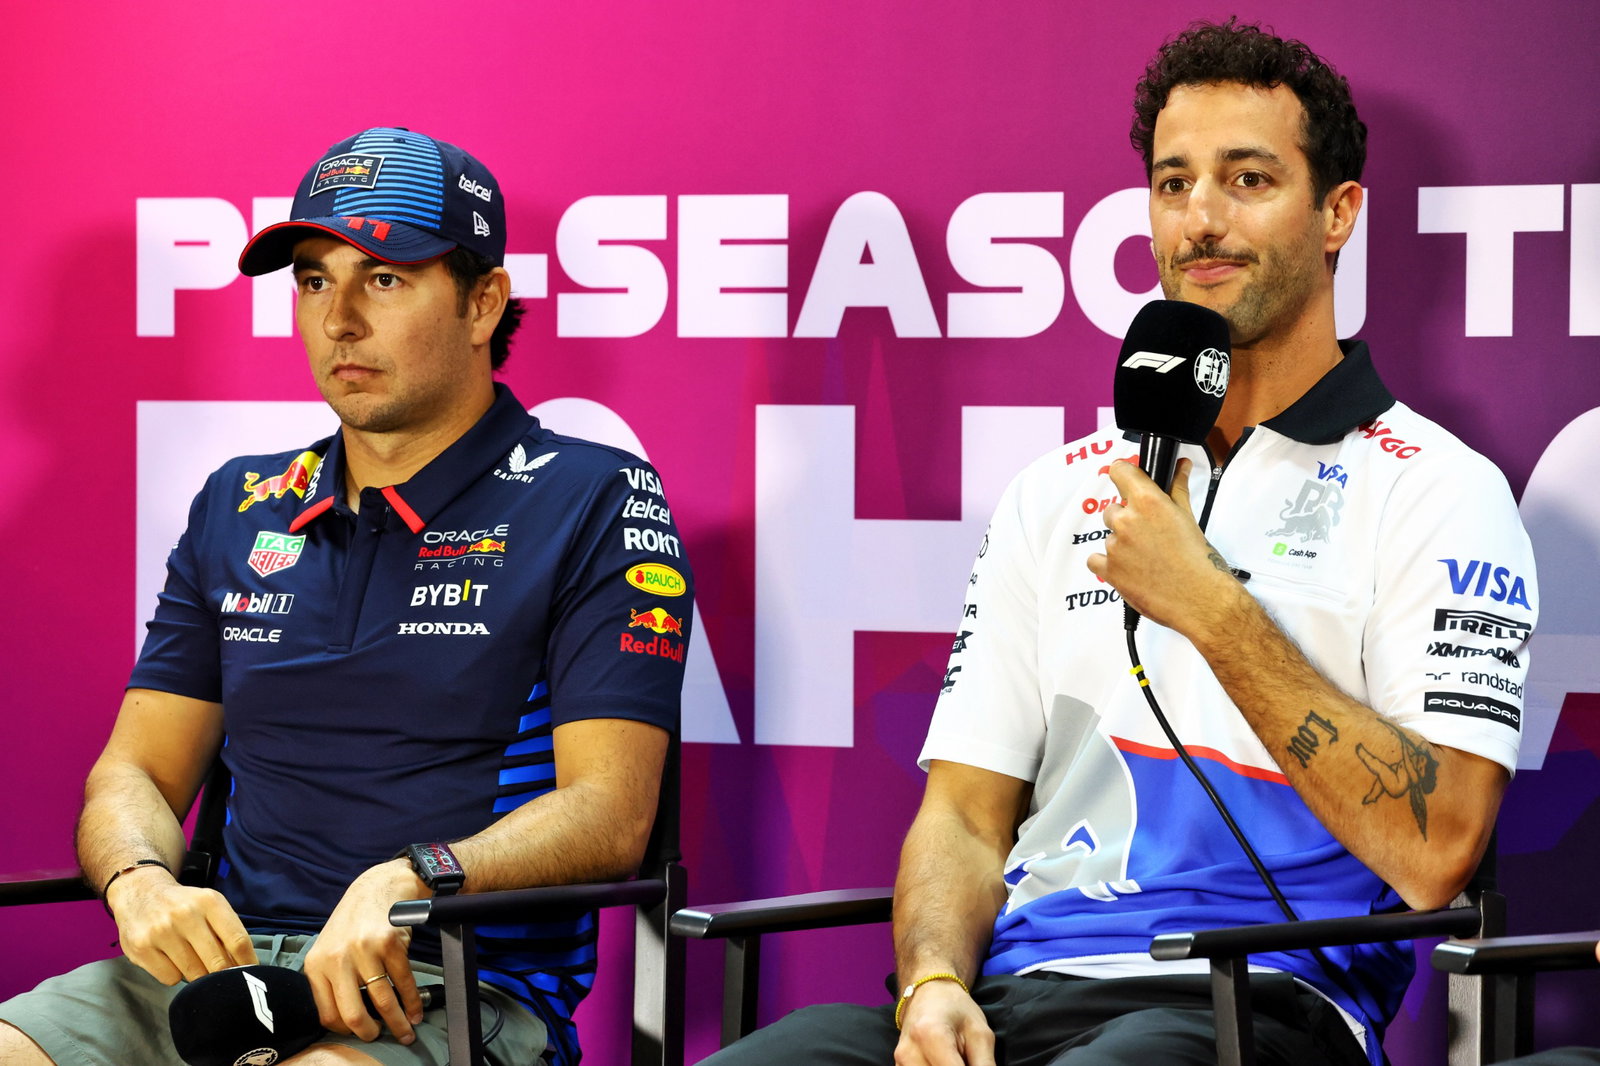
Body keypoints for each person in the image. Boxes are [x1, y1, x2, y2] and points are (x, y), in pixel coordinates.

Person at [701, 18, 1535, 1066]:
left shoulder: (1435, 489)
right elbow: (961, 812)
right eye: (1174, 182)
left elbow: (1438, 848)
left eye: (1247, 180)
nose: (1201, 221)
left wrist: (1212, 606)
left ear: (1337, 214)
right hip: (1014, 996)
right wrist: (931, 982)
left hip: (1256, 1000)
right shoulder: (1057, 491)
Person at [0, 127, 693, 1066]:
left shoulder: (594, 496)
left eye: (386, 279)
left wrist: (410, 879)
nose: (339, 321)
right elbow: (138, 773)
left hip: (448, 982)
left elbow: (610, 813)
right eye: (317, 280)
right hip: (218, 976)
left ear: (484, 302)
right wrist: (138, 882)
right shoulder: (240, 504)